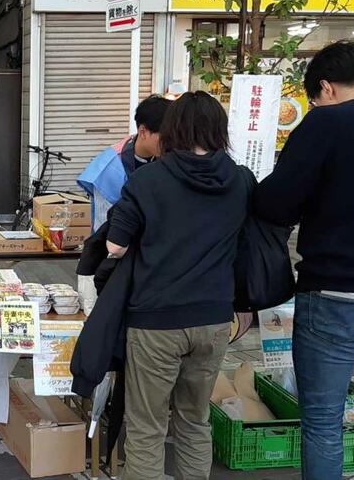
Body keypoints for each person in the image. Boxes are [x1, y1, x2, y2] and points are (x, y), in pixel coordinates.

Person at [253, 40, 354, 480]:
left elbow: (275, 204)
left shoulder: (327, 124)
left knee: (323, 423)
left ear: (325, 87)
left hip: (336, 294)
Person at [105, 91, 251, 480]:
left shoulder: (149, 178)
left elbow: (115, 247)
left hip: (156, 321)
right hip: (215, 318)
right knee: (194, 419)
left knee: (147, 426)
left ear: (173, 130)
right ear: (219, 130)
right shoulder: (240, 180)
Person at [77, 94, 171, 232]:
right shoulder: (108, 169)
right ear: (143, 131)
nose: (171, 143)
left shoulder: (169, 157)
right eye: (165, 137)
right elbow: (103, 227)